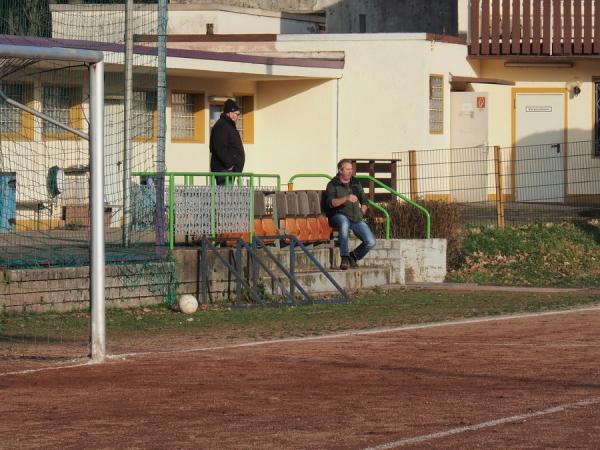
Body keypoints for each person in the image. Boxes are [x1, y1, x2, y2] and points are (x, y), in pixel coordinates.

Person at [324, 159, 376, 270]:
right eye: (347, 169)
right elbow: (331, 203)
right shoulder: (333, 184)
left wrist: (363, 210)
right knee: (344, 222)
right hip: (337, 215)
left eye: (351, 169)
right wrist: (346, 198)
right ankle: (344, 257)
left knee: (371, 242)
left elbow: (365, 200)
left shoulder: (355, 182)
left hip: (355, 217)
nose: (350, 171)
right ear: (340, 170)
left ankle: (353, 256)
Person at [209, 99, 245, 185]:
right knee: (224, 196)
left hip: (228, 170)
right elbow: (220, 148)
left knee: (226, 196)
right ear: (230, 113)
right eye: (237, 114)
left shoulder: (228, 126)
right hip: (224, 170)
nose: (238, 116)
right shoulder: (222, 126)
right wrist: (230, 164)